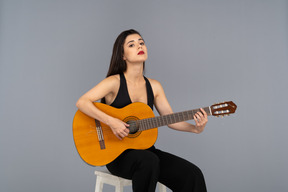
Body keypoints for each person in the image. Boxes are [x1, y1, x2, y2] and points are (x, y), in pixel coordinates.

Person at [76, 29, 208, 192]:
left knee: (192, 174)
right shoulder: (114, 82)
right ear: (123, 55)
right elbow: (82, 102)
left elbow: (170, 119)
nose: (139, 46)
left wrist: (195, 128)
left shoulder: (154, 86)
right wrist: (112, 122)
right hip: (117, 156)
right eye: (132, 44)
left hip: (147, 152)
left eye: (141, 42)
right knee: (148, 161)